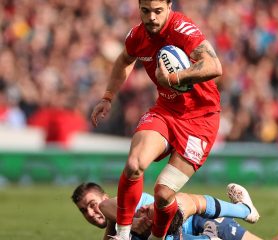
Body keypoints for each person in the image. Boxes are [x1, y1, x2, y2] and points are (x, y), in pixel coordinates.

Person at [90, 1, 225, 239]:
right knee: (134, 165)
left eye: (158, 11)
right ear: (139, 7)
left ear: (169, 6)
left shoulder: (182, 29)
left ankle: (158, 237)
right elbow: (124, 60)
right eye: (145, 11)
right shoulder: (137, 35)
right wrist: (108, 96)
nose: (151, 17)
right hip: (165, 111)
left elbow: (214, 65)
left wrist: (174, 77)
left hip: (201, 119)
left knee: (163, 195)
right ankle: (122, 234)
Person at [71, 182, 262, 240]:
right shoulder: (115, 228)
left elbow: (105, 207)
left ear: (104, 197)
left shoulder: (115, 204)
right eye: (83, 211)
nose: (90, 213)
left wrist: (135, 224)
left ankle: (244, 210)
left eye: (91, 204)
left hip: (197, 221)